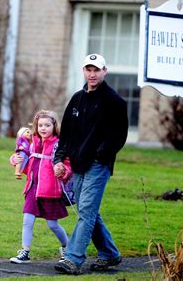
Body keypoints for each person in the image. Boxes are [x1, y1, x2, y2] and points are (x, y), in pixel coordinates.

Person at [52, 54, 128, 275]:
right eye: (88, 70)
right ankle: (110, 253)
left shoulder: (114, 101)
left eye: (96, 70)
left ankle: (73, 259)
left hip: (98, 164)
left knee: (85, 210)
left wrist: (100, 154)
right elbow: (65, 135)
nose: (92, 74)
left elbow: (118, 136)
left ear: (105, 71)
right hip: (77, 164)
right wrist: (59, 159)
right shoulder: (77, 99)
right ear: (84, 71)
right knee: (89, 210)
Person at [9, 110, 72, 264]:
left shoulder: (59, 144)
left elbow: (68, 165)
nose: (44, 128)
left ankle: (67, 248)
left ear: (54, 126)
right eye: (40, 125)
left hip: (50, 191)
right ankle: (25, 252)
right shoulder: (33, 142)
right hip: (32, 187)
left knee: (52, 224)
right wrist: (14, 158)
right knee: (27, 220)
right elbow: (23, 157)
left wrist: (63, 171)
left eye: (47, 125)